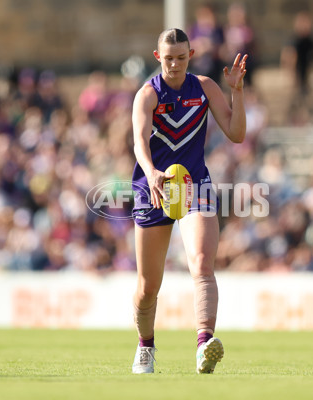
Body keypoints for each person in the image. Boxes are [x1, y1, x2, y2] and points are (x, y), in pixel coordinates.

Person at [130, 28, 247, 374]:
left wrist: (236, 92)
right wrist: (151, 172)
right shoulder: (147, 94)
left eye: (181, 58)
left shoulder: (206, 87)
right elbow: (138, 140)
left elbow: (237, 133)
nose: (175, 64)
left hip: (194, 184)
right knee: (148, 286)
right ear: (157, 57)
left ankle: (203, 345)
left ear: (191, 55)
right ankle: (145, 346)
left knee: (201, 263)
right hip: (153, 187)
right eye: (168, 59)